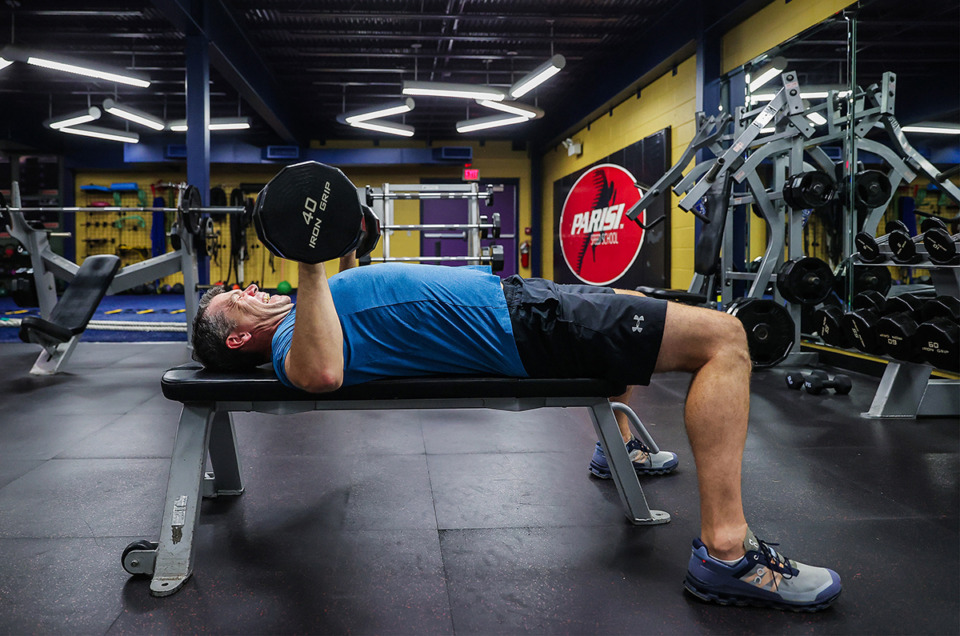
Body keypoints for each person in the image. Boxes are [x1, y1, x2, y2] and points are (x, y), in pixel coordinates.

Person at [192, 254, 842, 612]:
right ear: (241, 337)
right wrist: (309, 261)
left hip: (520, 306)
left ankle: (621, 444)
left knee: (642, 302)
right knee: (724, 338)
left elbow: (349, 320)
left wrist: (345, 245)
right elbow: (324, 369)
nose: (248, 287)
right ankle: (728, 553)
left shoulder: (304, 318)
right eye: (236, 299)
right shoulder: (286, 348)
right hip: (524, 327)